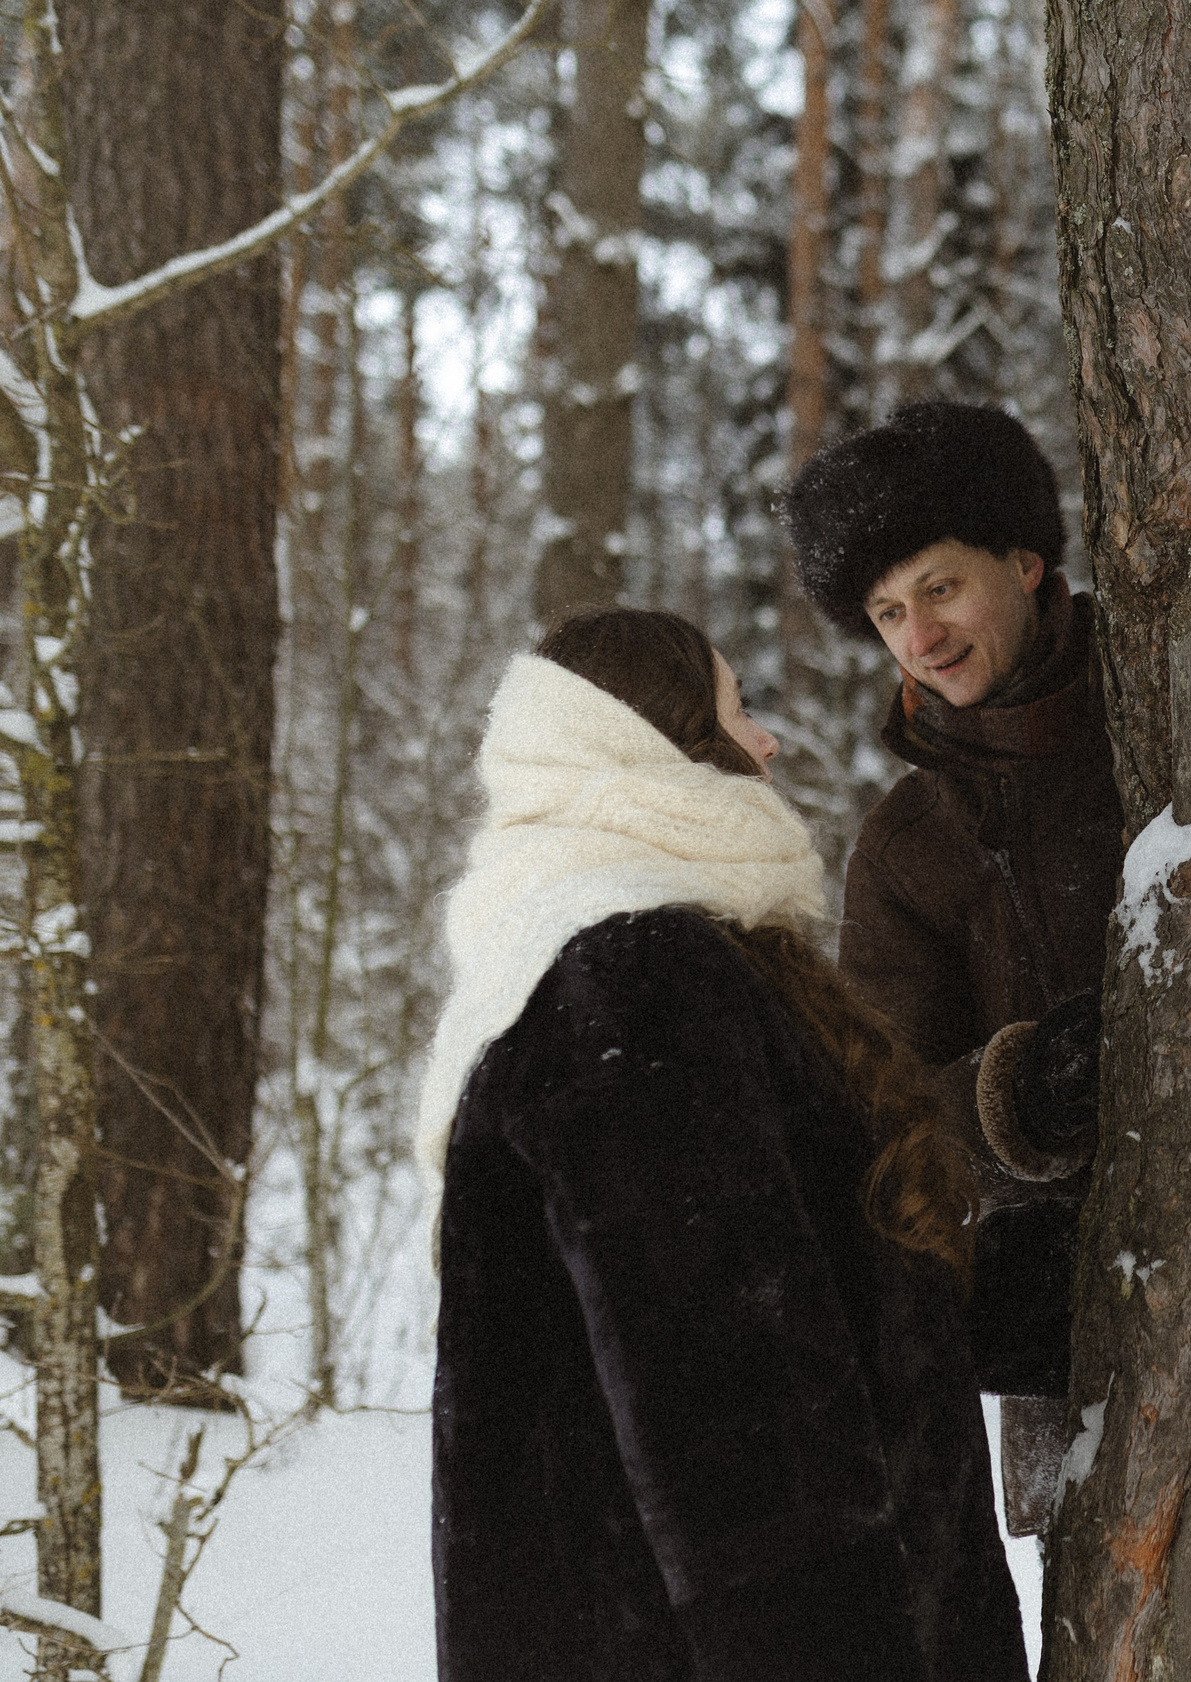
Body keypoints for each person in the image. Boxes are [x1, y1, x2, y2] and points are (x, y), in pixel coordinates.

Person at [419, 609, 1028, 1682]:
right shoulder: (633, 972)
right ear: (658, 746)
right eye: (740, 709)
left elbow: (837, 1297)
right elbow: (729, 1413)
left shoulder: (608, 962)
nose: (770, 741)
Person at [780, 401, 1120, 1536]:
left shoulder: (1179, 714)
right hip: (1071, 1331)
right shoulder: (907, 845)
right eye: (886, 612)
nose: (918, 635)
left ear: (1024, 562)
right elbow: (878, 1120)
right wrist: (1009, 1093)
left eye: (939, 587)